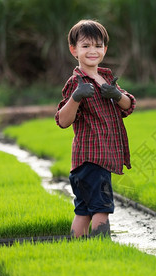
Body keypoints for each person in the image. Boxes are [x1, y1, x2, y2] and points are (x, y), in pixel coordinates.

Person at [55, 19, 136, 238]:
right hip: (92, 160)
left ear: (105, 49)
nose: (93, 51)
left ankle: (78, 251)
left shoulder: (107, 78)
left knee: (83, 210)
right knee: (102, 209)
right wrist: (76, 98)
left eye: (98, 46)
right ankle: (101, 249)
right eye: (86, 46)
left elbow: (129, 106)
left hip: (98, 159)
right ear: (74, 50)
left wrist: (117, 95)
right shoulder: (76, 82)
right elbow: (63, 120)